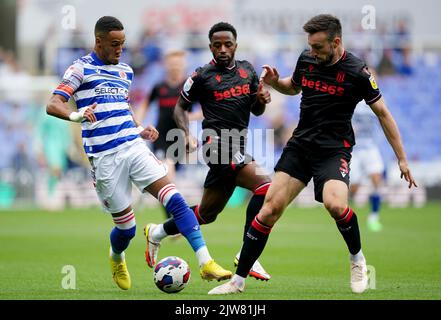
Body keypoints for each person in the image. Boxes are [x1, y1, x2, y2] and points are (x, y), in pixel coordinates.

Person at [209, 14, 417, 295]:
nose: (313, 52)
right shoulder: (307, 59)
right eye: (310, 46)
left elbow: (383, 113)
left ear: (336, 42)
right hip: (301, 146)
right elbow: (292, 87)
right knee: (268, 211)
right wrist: (273, 81)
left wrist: (401, 158)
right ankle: (238, 281)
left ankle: (357, 259)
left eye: (318, 47)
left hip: (334, 149)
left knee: (335, 205)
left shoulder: (359, 72)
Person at [46, 16, 232, 291]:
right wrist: (77, 114)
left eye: (123, 43)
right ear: (98, 41)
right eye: (114, 44)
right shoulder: (80, 69)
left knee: (176, 200)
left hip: (134, 146)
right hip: (105, 157)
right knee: (126, 230)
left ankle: (206, 261)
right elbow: (53, 103)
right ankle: (117, 256)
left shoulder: (125, 71)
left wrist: (139, 127)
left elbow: (122, 106)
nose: (120, 49)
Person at [144, 22, 273, 281]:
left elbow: (256, 111)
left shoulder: (248, 71)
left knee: (206, 214)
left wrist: (260, 101)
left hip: (237, 144)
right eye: (217, 45)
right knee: (265, 186)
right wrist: (187, 134)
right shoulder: (201, 76)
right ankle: (249, 254)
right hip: (215, 145)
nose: (223, 49)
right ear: (210, 47)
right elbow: (179, 108)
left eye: (228, 44)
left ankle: (157, 231)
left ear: (235, 45)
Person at [136, 50, 202, 217]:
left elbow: (206, 111)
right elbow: (144, 105)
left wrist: (188, 116)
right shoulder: (159, 87)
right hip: (160, 139)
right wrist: (137, 126)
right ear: (166, 65)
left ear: (184, 65)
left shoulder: (190, 87)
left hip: (181, 139)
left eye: (178, 64)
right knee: (167, 176)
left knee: (168, 182)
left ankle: (175, 219)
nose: (175, 67)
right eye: (172, 64)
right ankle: (177, 218)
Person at [350, 102, 385, 232]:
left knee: (377, 179)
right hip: (355, 149)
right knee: (353, 188)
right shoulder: (352, 98)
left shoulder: (375, 100)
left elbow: (384, 118)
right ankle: (348, 213)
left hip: (371, 148)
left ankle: (374, 216)